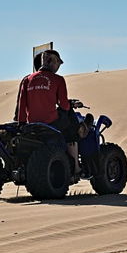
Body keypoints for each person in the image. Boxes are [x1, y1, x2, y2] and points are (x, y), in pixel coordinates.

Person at [15, 49, 82, 177]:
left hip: (32, 124)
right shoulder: (58, 79)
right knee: (72, 128)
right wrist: (70, 105)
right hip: (52, 122)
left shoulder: (27, 80)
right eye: (58, 63)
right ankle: (76, 167)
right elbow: (63, 105)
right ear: (52, 61)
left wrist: (22, 123)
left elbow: (21, 105)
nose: (58, 67)